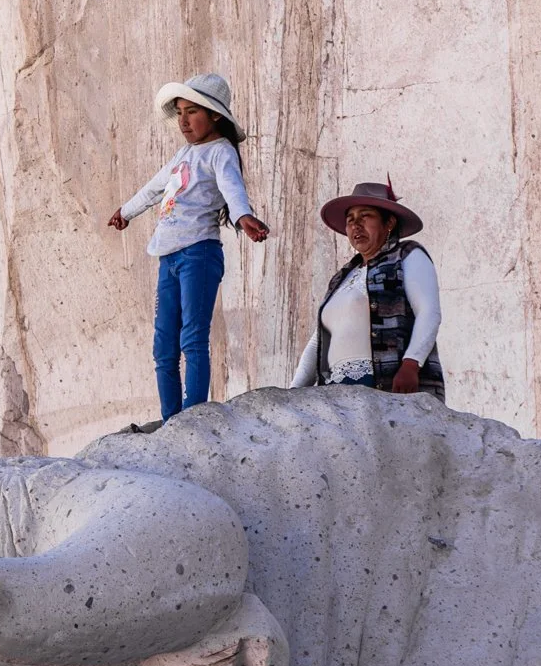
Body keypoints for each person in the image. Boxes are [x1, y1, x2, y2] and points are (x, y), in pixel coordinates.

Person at [109, 73, 269, 420]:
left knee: (192, 338)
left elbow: (231, 188)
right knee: (163, 345)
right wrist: (126, 212)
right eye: (179, 112)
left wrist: (244, 217)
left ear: (215, 116)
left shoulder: (220, 152)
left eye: (192, 112)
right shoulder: (184, 153)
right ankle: (171, 420)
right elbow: (154, 188)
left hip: (199, 252)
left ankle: (193, 417)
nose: (183, 120)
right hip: (168, 255)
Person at [291, 179, 444, 399]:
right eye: (350, 219)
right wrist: (295, 390)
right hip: (335, 391)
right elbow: (319, 339)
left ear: (389, 222)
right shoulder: (342, 277)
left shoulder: (407, 255)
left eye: (365, 216)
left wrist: (411, 363)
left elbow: (429, 312)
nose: (356, 225)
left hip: (385, 384)